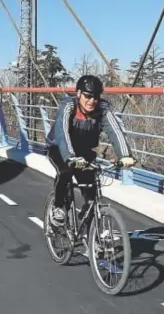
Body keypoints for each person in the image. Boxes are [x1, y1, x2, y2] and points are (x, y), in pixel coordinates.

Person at [45, 75, 135, 228]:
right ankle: (58, 207)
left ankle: (92, 236)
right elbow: (62, 133)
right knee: (65, 171)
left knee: (91, 194)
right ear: (78, 93)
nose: (91, 101)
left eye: (96, 97)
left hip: (85, 150)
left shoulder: (103, 109)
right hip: (59, 147)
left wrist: (125, 155)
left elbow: (115, 131)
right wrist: (70, 157)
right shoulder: (69, 106)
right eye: (87, 96)